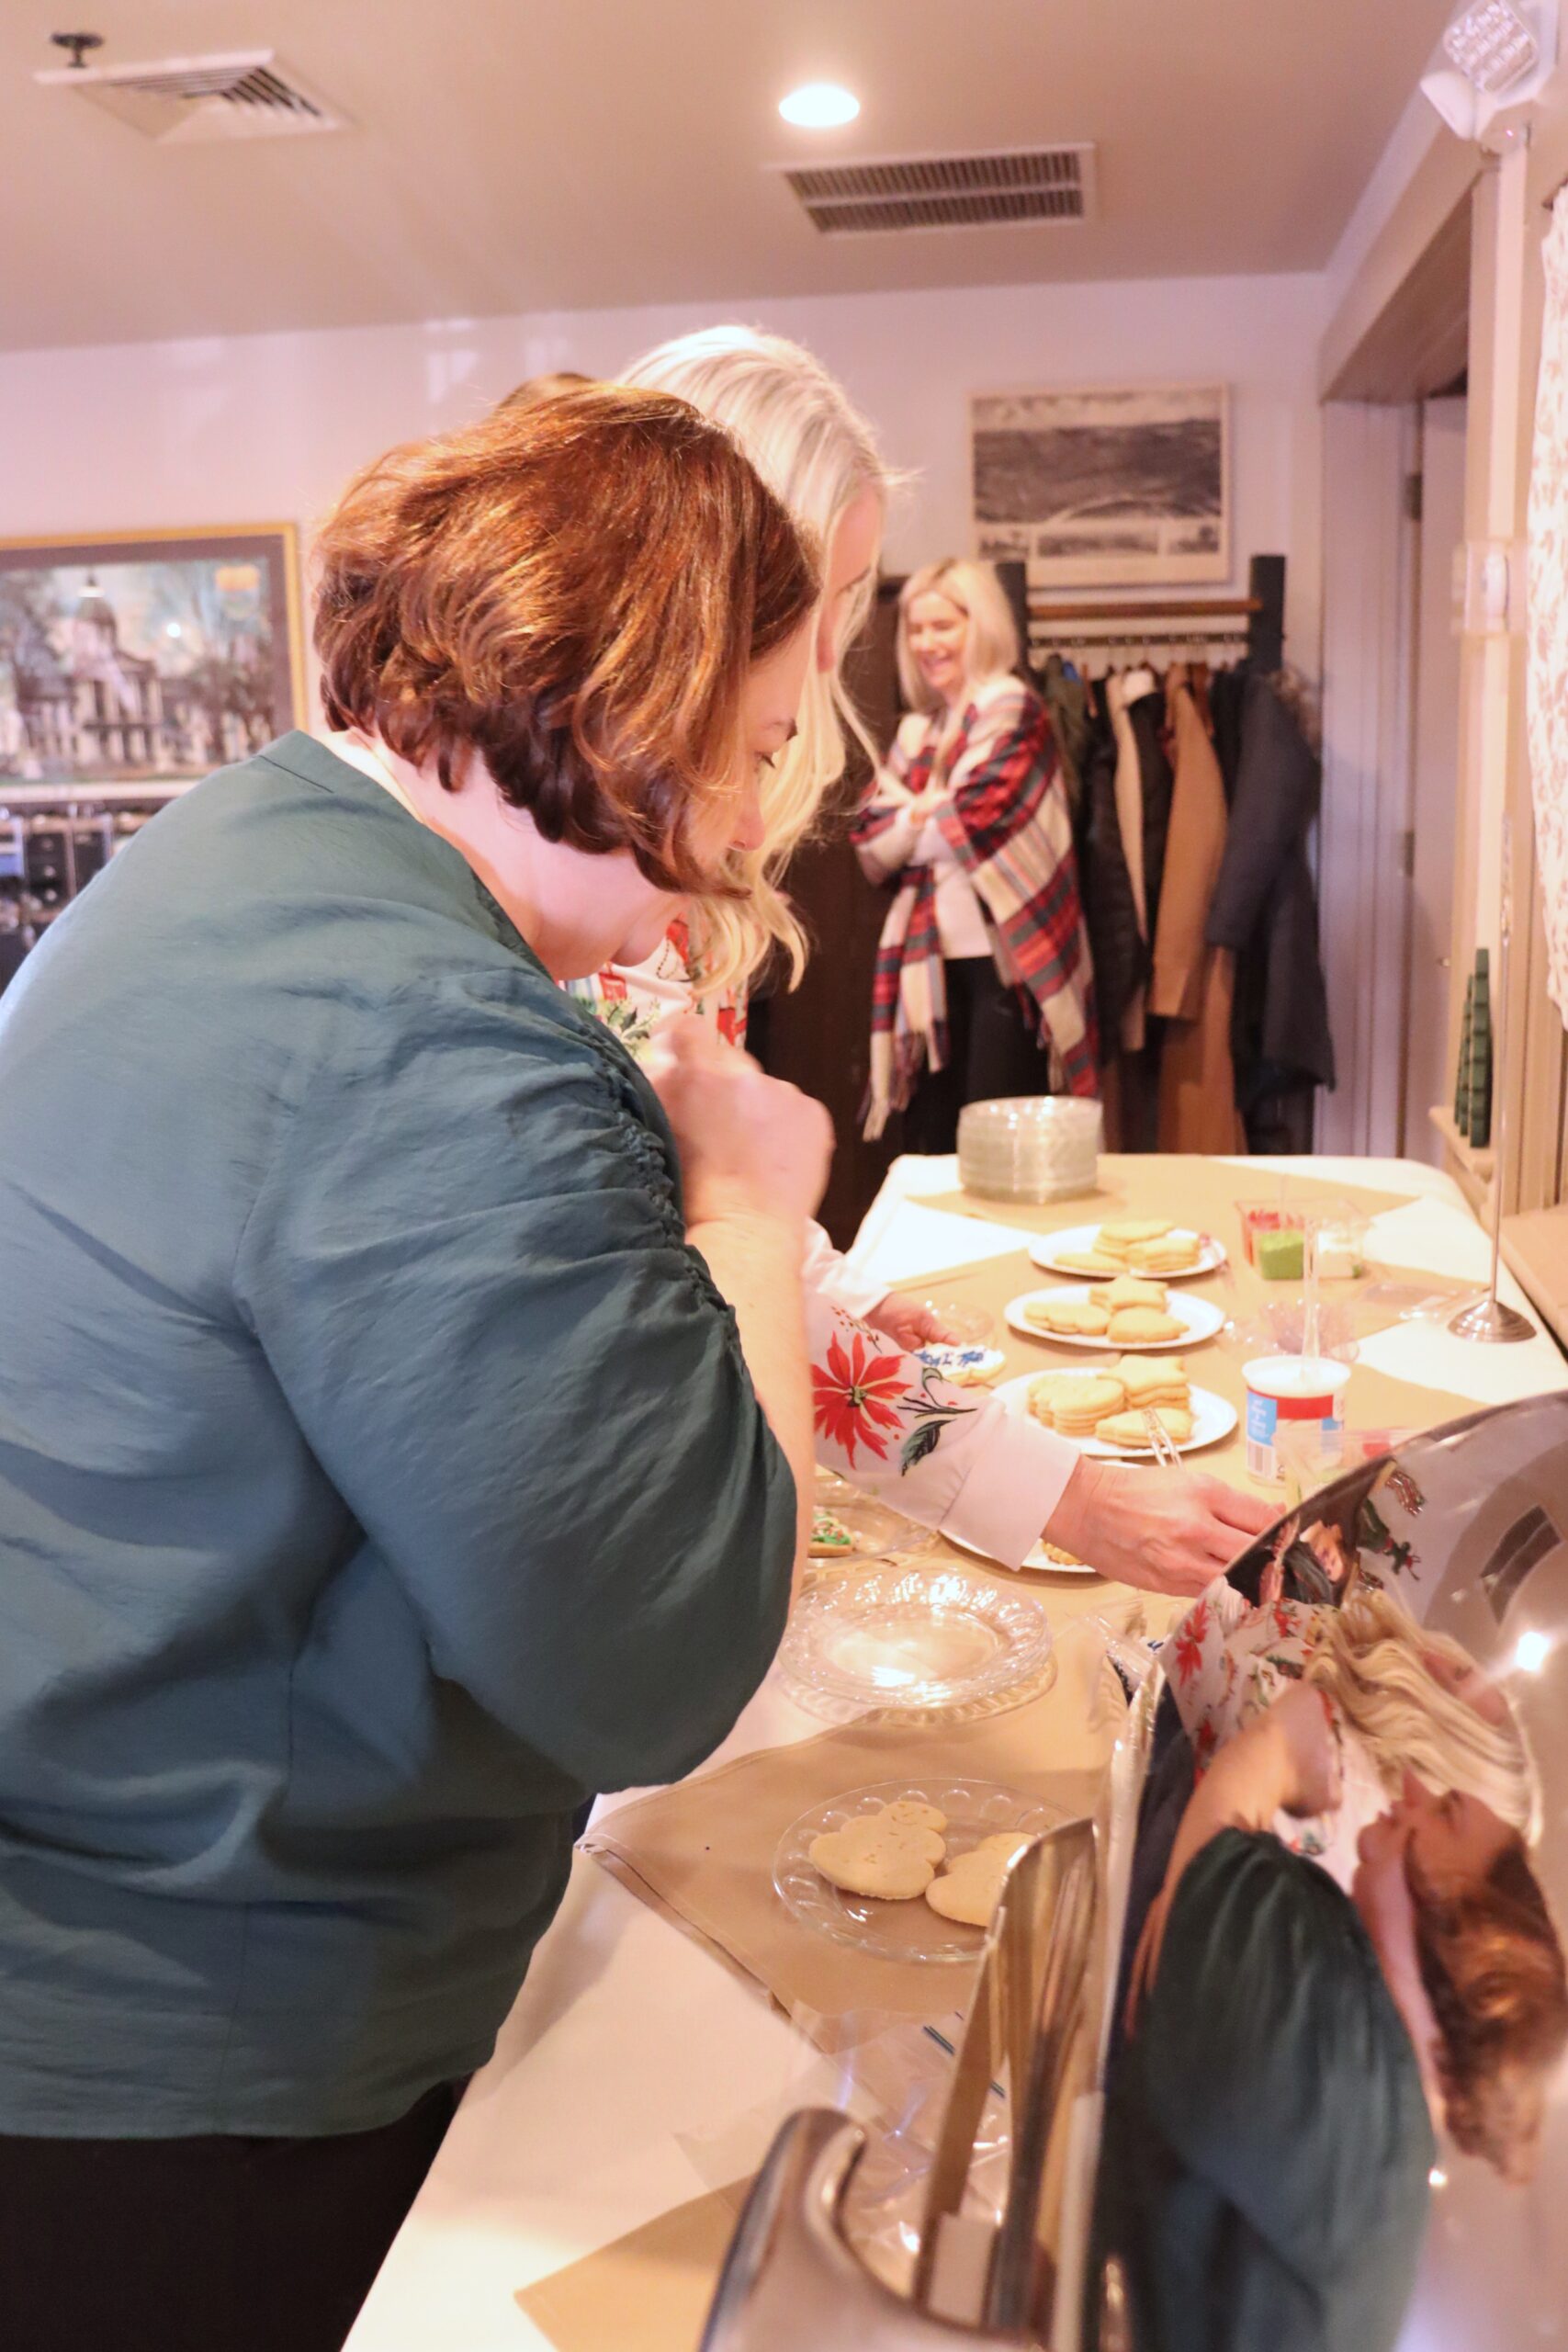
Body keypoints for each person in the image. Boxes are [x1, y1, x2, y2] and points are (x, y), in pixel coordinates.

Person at [0, 385, 835, 2352]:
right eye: (761, 747)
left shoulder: (243, 845)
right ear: (640, 696)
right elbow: (665, 1660)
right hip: (190, 2063)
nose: (741, 831)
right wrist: (748, 1200)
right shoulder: (423, 1030)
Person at [539, 332, 1272, 1596]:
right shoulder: (600, 874)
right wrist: (1072, 1500)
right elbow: (705, 1251)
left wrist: (831, 1288)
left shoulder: (642, 829)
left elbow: (709, 1214)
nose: (841, 654)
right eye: (840, 594)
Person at [1097, 1681, 1568, 2352]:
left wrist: (1279, 1745)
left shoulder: (1339, 2056)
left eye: (1446, 1814)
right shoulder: (1377, 2088)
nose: (1411, 1790)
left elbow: (1196, 1899)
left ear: (1472, 1936)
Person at [851, 557, 1096, 1150]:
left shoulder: (1010, 707)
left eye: (942, 626)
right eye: (915, 629)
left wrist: (912, 813)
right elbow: (868, 841)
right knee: (931, 1143)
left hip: (1005, 969)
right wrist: (922, 813)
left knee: (996, 1147)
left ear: (979, 624)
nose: (926, 643)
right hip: (930, 969)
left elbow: (968, 819)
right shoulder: (920, 731)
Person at [1164, 1576, 1540, 1886]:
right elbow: (1247, 1623)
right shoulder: (1362, 1672)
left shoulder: (1326, 1777)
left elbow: (1194, 1667)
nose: (1438, 1658)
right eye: (1463, 1668)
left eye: (1454, 1678)